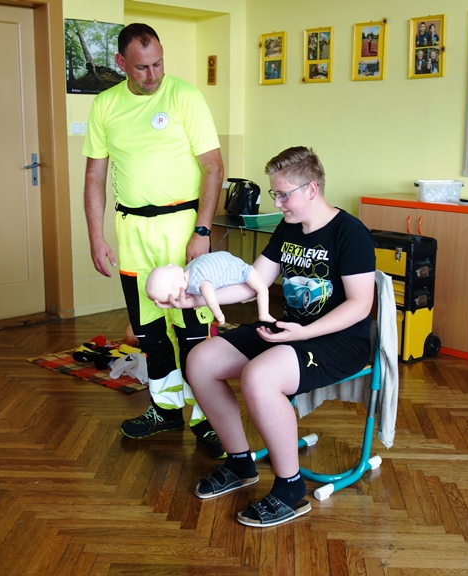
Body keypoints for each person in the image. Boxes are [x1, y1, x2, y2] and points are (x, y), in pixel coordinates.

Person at [162, 146, 375, 528]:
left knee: (259, 376)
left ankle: (291, 489)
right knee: (201, 361)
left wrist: (305, 331)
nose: (277, 203)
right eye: (274, 193)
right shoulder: (288, 227)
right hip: (292, 328)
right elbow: (253, 284)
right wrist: (195, 299)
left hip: (340, 340)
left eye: (283, 195)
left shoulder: (350, 232)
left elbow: (361, 304)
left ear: (311, 189)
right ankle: (240, 463)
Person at [82, 23, 226, 458]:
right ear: (121, 63)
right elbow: (95, 176)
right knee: (149, 332)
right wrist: (96, 237)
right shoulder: (106, 105)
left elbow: (214, 167)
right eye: (142, 67)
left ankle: (207, 419)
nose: (153, 75)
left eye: (159, 63)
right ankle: (165, 409)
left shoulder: (185, 96)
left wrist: (203, 230)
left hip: (182, 228)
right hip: (133, 233)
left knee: (193, 332)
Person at [145, 251, 275, 326]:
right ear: (175, 285)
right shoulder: (191, 275)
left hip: (240, 268)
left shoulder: (197, 281)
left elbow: (211, 299)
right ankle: (261, 311)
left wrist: (219, 316)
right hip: (232, 266)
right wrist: (217, 313)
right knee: (261, 289)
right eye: (168, 268)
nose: (170, 264)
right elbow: (210, 300)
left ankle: (264, 314)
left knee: (261, 288)